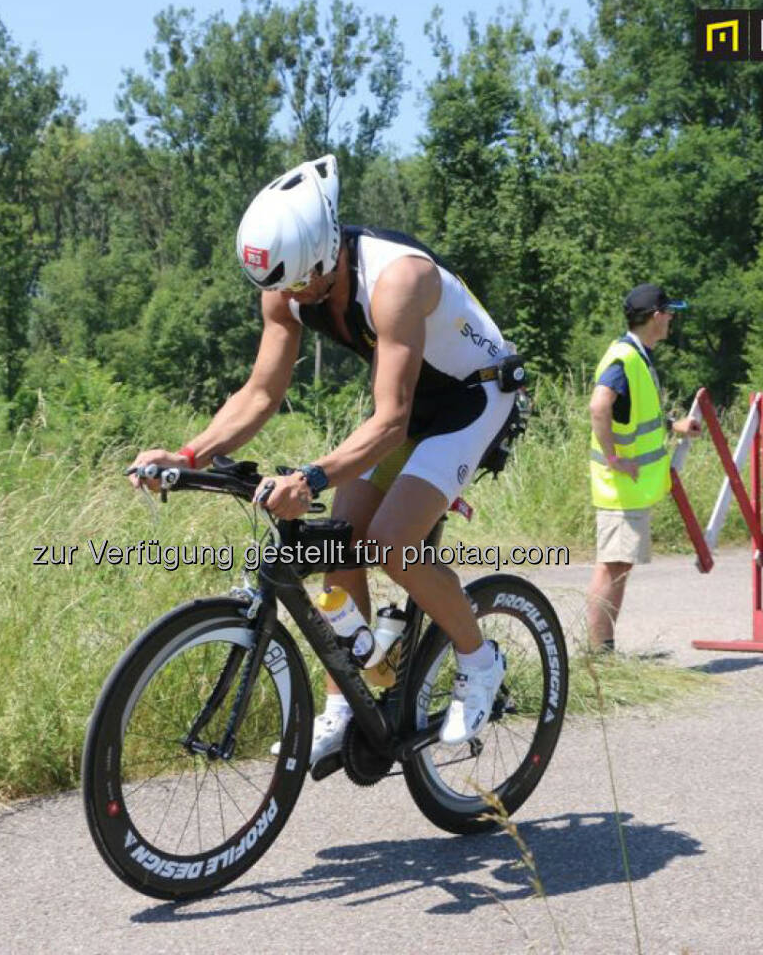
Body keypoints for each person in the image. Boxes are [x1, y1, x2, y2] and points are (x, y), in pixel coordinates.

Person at [128, 154, 522, 768]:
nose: (290, 300)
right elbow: (261, 392)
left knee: (393, 544)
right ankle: (344, 702)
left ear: (330, 252)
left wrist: (310, 477)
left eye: (299, 286)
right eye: (278, 290)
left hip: (473, 397)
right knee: (337, 544)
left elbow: (391, 421)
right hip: (410, 401)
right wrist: (188, 454)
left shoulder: (398, 281)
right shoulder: (288, 285)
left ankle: (480, 660)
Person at [584, 284, 701, 653]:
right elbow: (599, 407)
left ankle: (601, 649)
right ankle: (599, 653)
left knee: (619, 566)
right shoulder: (625, 358)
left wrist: (672, 426)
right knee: (613, 567)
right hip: (620, 484)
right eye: (668, 312)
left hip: (627, 486)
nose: (671, 318)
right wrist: (614, 456)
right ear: (655, 316)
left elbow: (632, 415)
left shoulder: (637, 355)